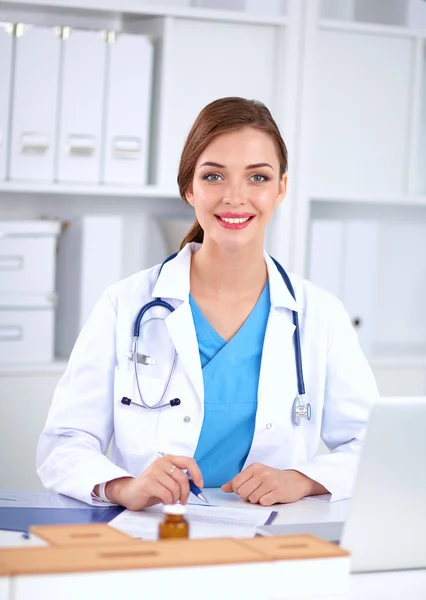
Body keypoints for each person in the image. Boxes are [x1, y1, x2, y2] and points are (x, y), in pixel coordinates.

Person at [37, 97, 378, 510]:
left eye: (258, 178)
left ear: (281, 189)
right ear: (189, 188)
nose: (235, 197)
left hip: (272, 542)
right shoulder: (124, 305)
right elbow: (64, 444)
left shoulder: (319, 315)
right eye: (214, 176)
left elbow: (373, 445)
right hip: (154, 533)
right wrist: (123, 486)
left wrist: (303, 479)